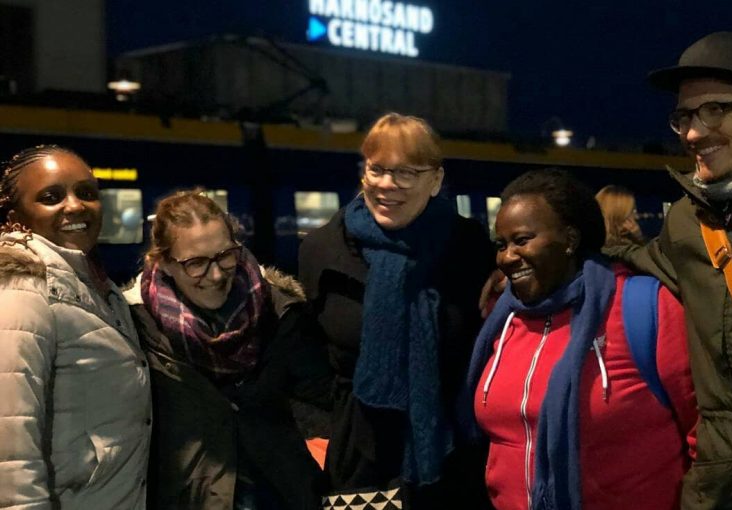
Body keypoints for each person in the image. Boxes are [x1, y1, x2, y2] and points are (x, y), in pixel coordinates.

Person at [461, 169, 697, 510]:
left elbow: (703, 430)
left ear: (570, 239)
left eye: (522, 240)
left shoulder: (643, 306)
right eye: (502, 245)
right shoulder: (503, 317)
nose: (507, 256)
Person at [298, 113, 495, 508]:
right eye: (377, 169)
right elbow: (304, 357)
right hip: (362, 463)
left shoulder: (472, 249)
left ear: (435, 180)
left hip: (455, 462)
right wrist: (339, 421)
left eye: (406, 173)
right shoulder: (322, 250)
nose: (387, 184)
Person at [603, 32, 732, 508]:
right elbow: (633, 256)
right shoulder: (689, 222)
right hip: (722, 491)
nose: (692, 134)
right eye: (684, 117)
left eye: (714, 110)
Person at [124, 190, 330, 510]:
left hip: (280, 494)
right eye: (196, 263)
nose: (217, 274)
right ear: (163, 263)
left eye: (225, 255)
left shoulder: (280, 311)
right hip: (191, 498)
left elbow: (322, 397)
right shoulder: (136, 326)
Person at [0, 145, 151, 509]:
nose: (75, 206)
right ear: (17, 217)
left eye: (86, 193)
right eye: (51, 197)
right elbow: (9, 448)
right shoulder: (21, 290)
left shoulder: (95, 285)